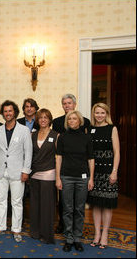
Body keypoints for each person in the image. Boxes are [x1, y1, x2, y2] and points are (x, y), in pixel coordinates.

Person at [0, 100, 32, 243]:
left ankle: (16, 230)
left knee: (17, 202)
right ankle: (0, 227)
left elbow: (28, 152)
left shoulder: (24, 130)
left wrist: (26, 171)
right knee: (0, 201)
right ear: (3, 113)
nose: (8, 113)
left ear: (15, 112)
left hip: (18, 172)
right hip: (1, 171)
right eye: (5, 111)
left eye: (10, 111)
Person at [56, 110, 94, 252]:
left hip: (82, 178)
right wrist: (58, 178)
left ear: (80, 121)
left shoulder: (86, 138)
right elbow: (58, 158)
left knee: (79, 209)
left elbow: (91, 159)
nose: (72, 121)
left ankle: (77, 238)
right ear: (67, 122)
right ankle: (69, 238)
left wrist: (91, 178)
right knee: (67, 209)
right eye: (69, 119)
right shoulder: (63, 137)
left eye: (74, 119)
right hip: (66, 177)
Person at [52, 93, 91, 234]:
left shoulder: (85, 121)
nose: (67, 105)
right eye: (64, 103)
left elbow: (87, 145)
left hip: (80, 167)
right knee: (64, 201)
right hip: (64, 166)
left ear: (74, 104)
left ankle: (76, 229)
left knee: (78, 203)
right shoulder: (56, 122)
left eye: (69, 103)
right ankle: (63, 224)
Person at [87, 103, 120, 249]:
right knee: (95, 203)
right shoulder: (90, 129)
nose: (99, 115)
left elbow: (117, 152)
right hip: (94, 171)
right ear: (93, 114)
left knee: (107, 204)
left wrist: (114, 171)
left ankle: (105, 234)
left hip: (108, 171)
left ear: (106, 114)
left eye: (102, 113)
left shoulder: (112, 129)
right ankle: (97, 234)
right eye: (96, 113)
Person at [29, 108, 59, 244]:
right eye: (40, 117)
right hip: (34, 174)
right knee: (35, 205)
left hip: (49, 174)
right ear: (37, 120)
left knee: (47, 206)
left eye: (46, 117)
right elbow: (30, 155)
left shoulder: (56, 135)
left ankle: (46, 235)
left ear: (49, 120)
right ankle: (35, 232)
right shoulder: (32, 135)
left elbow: (59, 157)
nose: (43, 120)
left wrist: (59, 177)